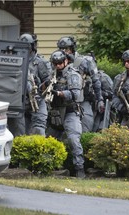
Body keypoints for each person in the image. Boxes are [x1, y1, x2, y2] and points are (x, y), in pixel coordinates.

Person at [46, 50, 85, 178]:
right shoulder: (52, 75)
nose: (57, 66)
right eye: (55, 63)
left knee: (74, 140)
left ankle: (79, 170)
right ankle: (48, 168)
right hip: (55, 113)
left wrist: (58, 93)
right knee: (49, 142)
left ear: (66, 61)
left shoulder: (73, 75)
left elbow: (75, 94)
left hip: (70, 111)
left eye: (60, 63)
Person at [57, 36, 104, 132]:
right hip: (62, 101)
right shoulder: (57, 62)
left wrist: (100, 100)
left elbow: (96, 81)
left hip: (82, 100)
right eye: (61, 49)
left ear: (72, 49)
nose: (64, 52)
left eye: (66, 49)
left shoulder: (85, 61)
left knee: (86, 126)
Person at [19, 33, 52, 136]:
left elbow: (49, 81)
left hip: (37, 101)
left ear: (32, 46)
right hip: (21, 102)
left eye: (27, 46)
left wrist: (41, 87)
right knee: (20, 132)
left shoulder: (41, 62)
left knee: (39, 129)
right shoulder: (16, 61)